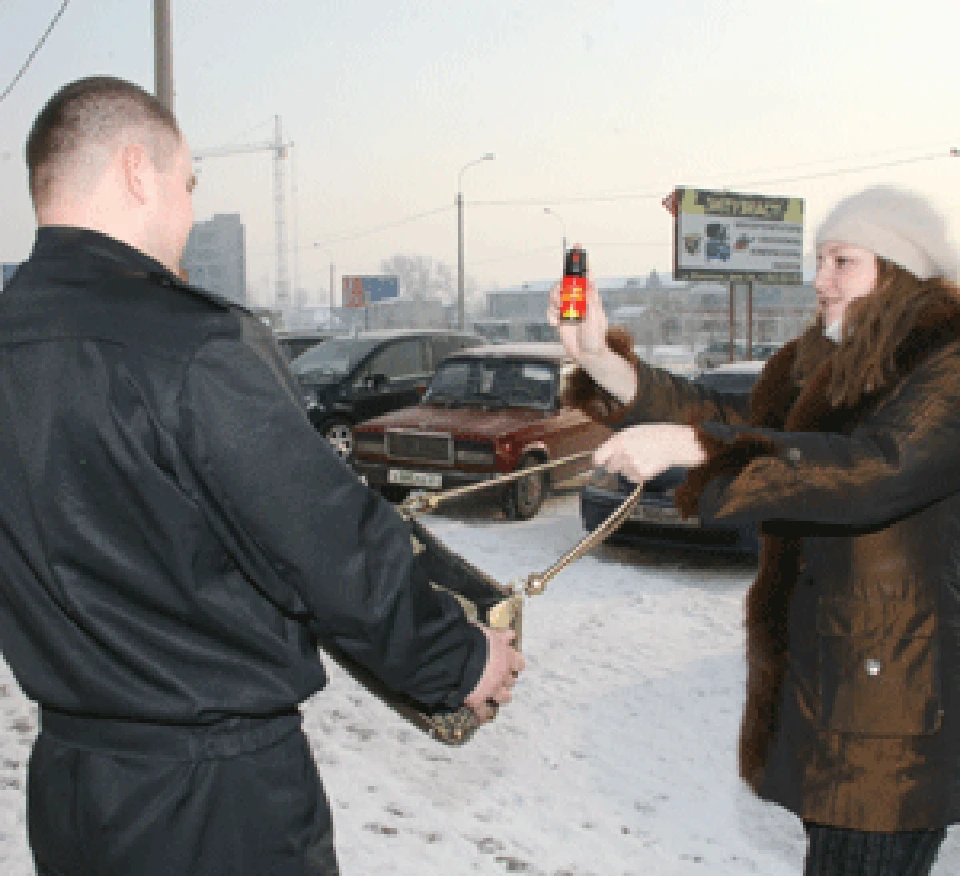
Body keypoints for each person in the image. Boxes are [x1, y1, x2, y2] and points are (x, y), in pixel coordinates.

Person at [1, 75, 524, 876]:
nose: (184, 211)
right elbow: (327, 546)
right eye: (186, 183)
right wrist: (457, 659)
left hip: (71, 790)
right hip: (217, 803)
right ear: (137, 171)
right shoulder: (192, 346)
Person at [551, 187, 960, 875]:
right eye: (820, 259)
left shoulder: (945, 363)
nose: (821, 279)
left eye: (843, 261)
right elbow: (729, 411)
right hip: (837, 682)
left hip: (893, 700)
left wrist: (699, 449)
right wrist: (601, 362)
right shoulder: (827, 360)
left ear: (896, 269)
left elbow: (873, 470)